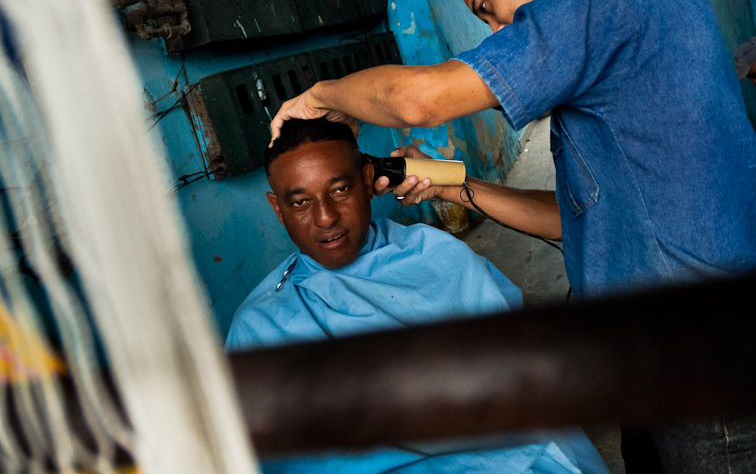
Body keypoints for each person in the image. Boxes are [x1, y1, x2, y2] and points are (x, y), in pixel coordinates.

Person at [266, 0, 756, 474]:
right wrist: (456, 187)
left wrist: (320, 97)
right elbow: (585, 218)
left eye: (488, 7)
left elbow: (422, 101)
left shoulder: (599, 4)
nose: (498, 31)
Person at [226, 117, 609, 474]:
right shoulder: (261, 324)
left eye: (340, 189)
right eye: (300, 202)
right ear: (278, 209)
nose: (325, 217)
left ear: (367, 181)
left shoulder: (435, 254)